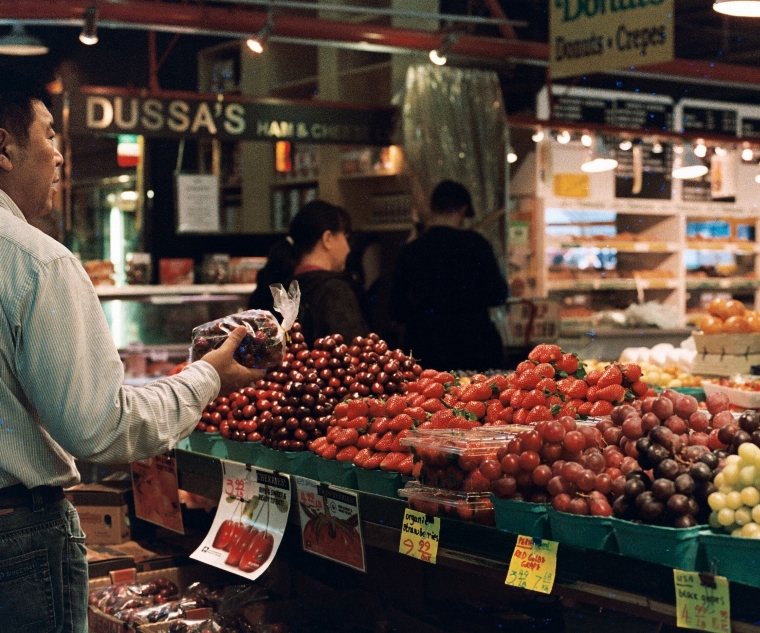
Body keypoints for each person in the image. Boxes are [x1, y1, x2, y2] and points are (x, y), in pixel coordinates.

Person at [0, 71, 262, 632]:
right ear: (4, 145)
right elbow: (99, 426)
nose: (59, 159)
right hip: (13, 543)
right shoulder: (36, 262)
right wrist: (207, 376)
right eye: (49, 136)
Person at [389, 180, 508, 371]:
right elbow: (498, 294)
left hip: (425, 348)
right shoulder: (477, 245)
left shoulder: (412, 250)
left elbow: (396, 308)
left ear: (432, 208)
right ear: (463, 209)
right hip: (474, 345)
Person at [248, 200, 369, 345]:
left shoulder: (278, 288)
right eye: (345, 237)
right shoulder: (335, 291)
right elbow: (352, 355)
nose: (348, 248)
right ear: (328, 239)